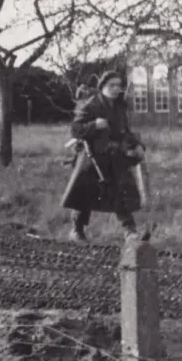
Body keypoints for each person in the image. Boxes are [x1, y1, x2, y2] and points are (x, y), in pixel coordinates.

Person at [61, 70, 150, 243]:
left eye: (119, 85)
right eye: (112, 85)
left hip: (114, 156)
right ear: (102, 87)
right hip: (91, 158)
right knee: (84, 196)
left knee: (120, 192)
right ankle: (76, 230)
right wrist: (94, 125)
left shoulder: (118, 107)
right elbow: (76, 129)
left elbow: (124, 132)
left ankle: (130, 232)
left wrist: (137, 145)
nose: (116, 89)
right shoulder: (91, 104)